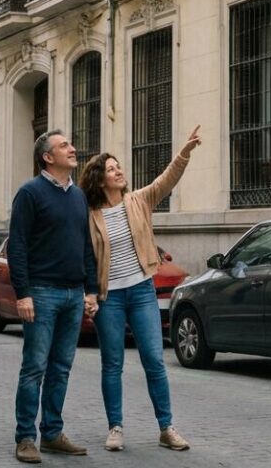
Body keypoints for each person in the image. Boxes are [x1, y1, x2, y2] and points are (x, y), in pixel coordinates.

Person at [78, 126, 201, 453]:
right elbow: (85, 256)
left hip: (142, 291)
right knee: (112, 363)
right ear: (99, 179)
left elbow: (166, 180)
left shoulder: (138, 200)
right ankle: (115, 427)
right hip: (110, 298)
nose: (119, 171)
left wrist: (184, 153)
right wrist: (87, 294)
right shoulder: (89, 215)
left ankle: (166, 427)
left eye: (119, 167)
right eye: (111, 169)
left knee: (154, 360)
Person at [9, 130, 99, 464]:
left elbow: (85, 245)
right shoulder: (30, 193)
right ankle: (25, 438)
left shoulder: (78, 197)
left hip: (74, 295)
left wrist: (91, 290)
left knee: (61, 368)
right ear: (47, 157)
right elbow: (17, 245)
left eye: (71, 144)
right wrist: (24, 294)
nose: (73, 148)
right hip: (42, 293)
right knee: (34, 368)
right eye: (64, 146)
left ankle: (52, 432)